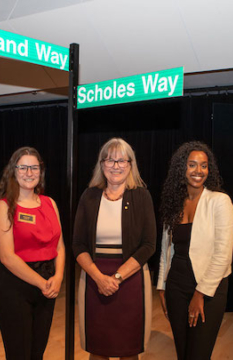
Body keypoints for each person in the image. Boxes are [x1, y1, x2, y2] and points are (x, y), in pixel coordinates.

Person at [73, 138, 156, 360]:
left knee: (128, 349)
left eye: (121, 160)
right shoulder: (89, 196)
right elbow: (78, 244)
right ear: (101, 165)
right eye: (110, 160)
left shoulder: (141, 196)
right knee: (98, 348)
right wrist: (99, 278)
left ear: (131, 165)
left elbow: (149, 244)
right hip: (94, 278)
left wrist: (116, 278)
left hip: (130, 280)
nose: (116, 165)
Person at [0, 146, 65, 360]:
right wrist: (42, 283)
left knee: (37, 352)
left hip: (48, 283)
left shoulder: (50, 204)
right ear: (13, 170)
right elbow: (7, 257)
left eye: (34, 168)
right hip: (14, 285)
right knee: (19, 354)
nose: (29, 173)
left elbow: (60, 246)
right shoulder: (3, 207)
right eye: (23, 167)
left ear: (41, 171)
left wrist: (58, 277)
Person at [157, 141, 233, 360]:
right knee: (183, 353)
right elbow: (166, 250)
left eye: (203, 165)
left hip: (209, 289)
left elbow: (223, 255)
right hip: (176, 286)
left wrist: (200, 294)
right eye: (192, 165)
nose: (198, 171)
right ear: (182, 168)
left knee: (198, 354)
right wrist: (162, 287)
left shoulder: (220, 202)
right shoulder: (174, 204)